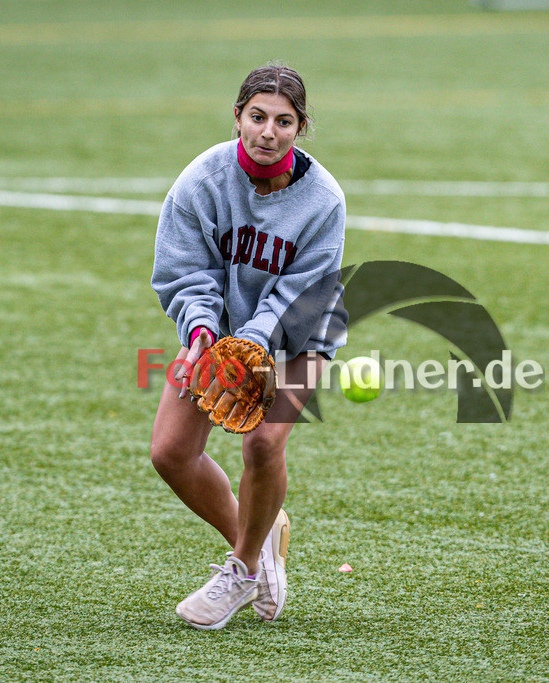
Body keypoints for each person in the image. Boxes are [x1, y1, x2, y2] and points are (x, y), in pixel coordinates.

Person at [150, 63, 346, 630]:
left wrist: (253, 343)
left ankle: (241, 569)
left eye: (284, 121)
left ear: (301, 127)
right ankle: (261, 536)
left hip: (300, 335)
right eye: (257, 117)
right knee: (170, 453)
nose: (268, 132)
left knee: (262, 443)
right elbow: (184, 272)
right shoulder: (202, 180)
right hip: (219, 334)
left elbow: (301, 295)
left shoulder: (324, 199)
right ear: (237, 117)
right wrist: (202, 336)